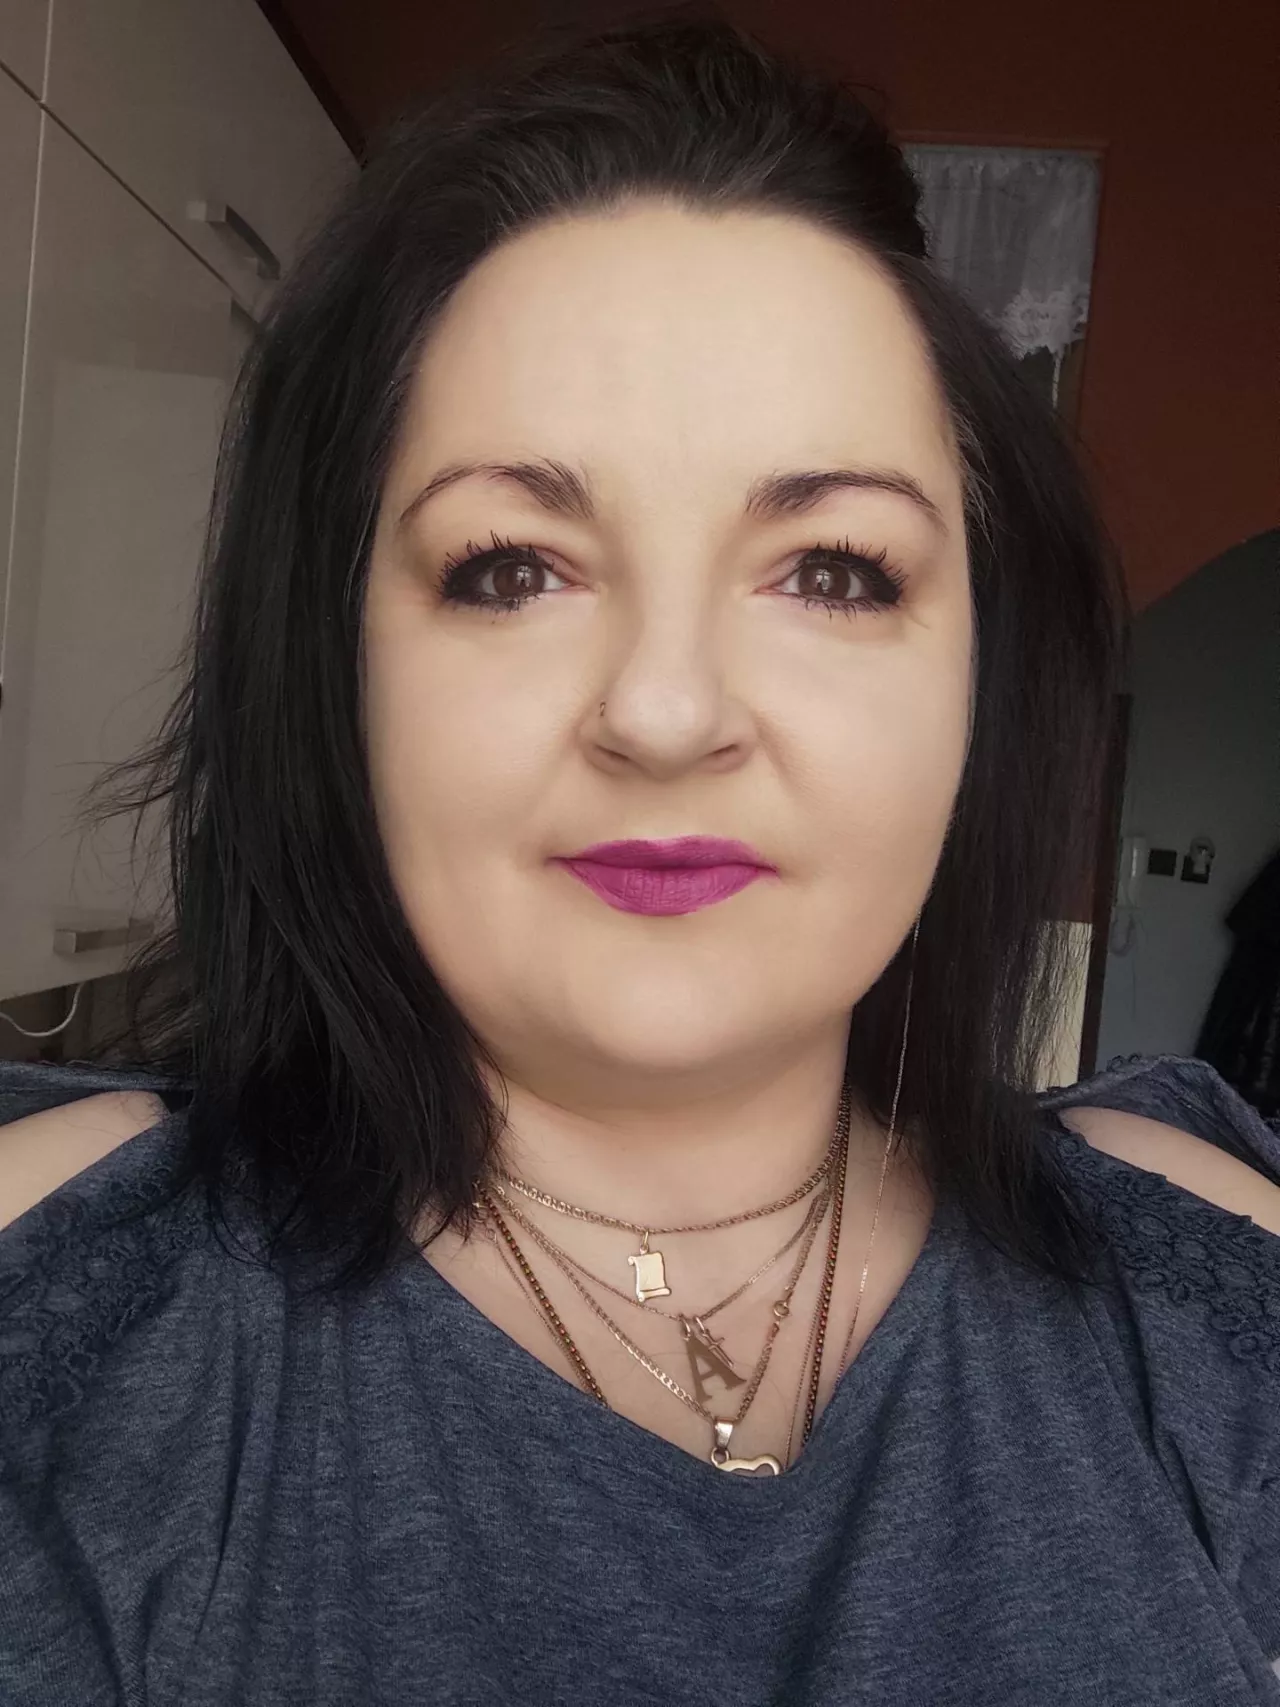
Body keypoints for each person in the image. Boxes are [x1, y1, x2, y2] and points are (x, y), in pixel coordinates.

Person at [2, 7, 1279, 1703]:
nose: (667, 713)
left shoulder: (1202, 1282)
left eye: (833, 571)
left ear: (981, 676)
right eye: (510, 567)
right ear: (335, 664)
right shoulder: (72, 1300)